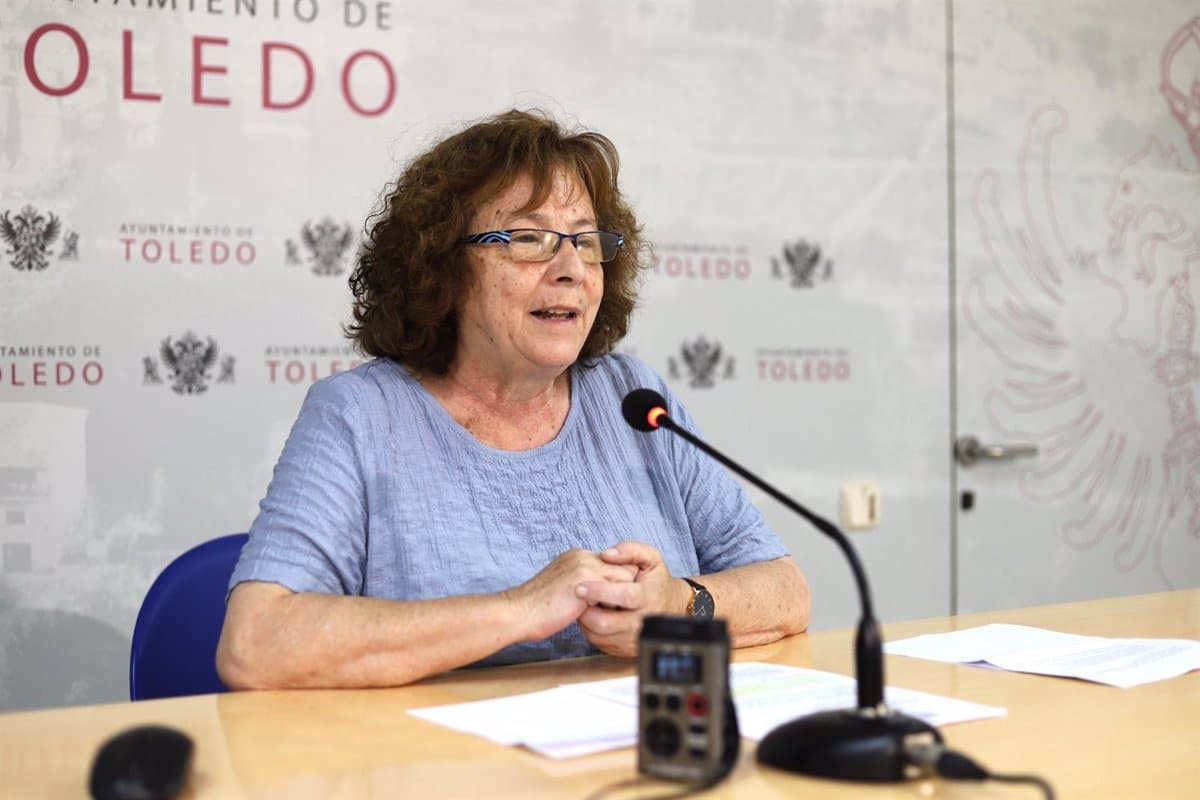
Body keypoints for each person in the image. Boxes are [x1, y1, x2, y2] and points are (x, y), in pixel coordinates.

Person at [216, 109, 810, 690]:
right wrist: (521, 610)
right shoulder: (360, 416)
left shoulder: (634, 400)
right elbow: (255, 643)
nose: (571, 268)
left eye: (585, 241)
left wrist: (680, 604)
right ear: (444, 265)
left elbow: (786, 590)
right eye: (529, 239)